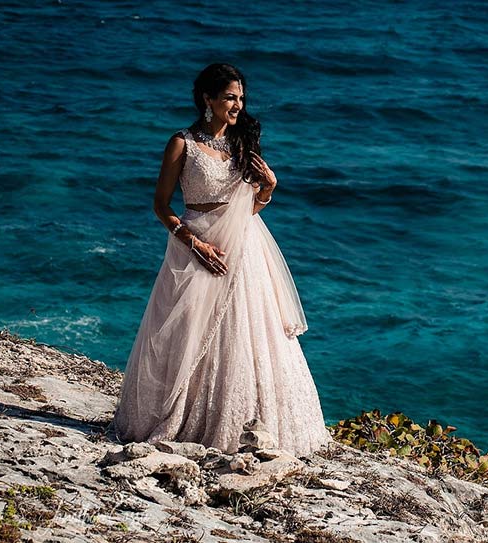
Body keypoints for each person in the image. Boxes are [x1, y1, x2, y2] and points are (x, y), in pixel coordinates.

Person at [110, 63, 333, 457]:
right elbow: (161, 206)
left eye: (241, 98)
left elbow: (249, 209)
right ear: (207, 99)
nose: (237, 105)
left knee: (248, 337)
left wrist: (269, 188)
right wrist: (194, 244)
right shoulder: (182, 144)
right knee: (187, 333)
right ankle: (182, 419)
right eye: (230, 97)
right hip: (196, 244)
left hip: (244, 249)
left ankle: (247, 423)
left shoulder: (241, 143)